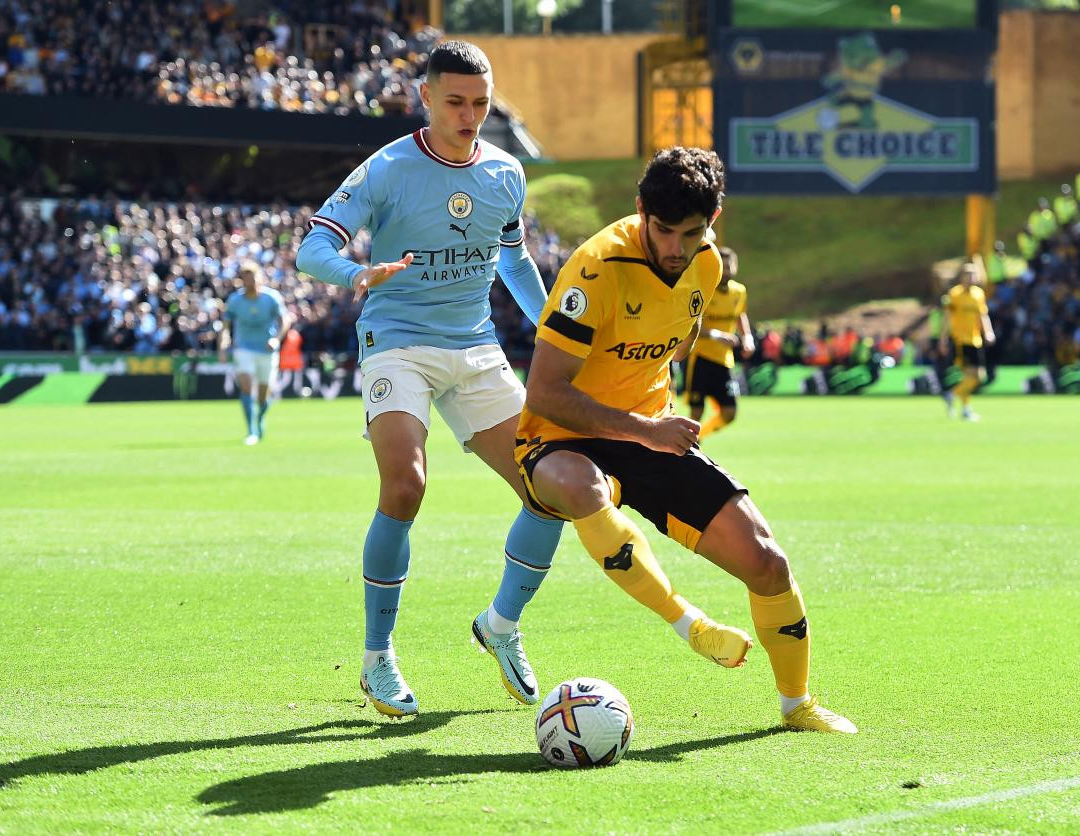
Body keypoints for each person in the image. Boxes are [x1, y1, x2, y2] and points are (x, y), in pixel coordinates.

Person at [294, 41, 744, 718]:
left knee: (548, 484)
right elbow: (312, 247)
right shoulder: (387, 168)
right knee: (406, 483)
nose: (470, 115)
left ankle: (500, 624)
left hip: (476, 347)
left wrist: (555, 331)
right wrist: (355, 273)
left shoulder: (506, 173)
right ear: (425, 98)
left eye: (480, 102)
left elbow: (514, 261)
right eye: (455, 102)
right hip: (398, 342)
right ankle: (378, 656)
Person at [513, 146, 856, 733]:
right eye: (663, 230)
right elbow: (544, 392)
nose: (675, 248)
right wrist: (644, 426)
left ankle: (797, 706)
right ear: (641, 209)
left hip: (650, 434)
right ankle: (687, 623)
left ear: (713, 222)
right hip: (559, 438)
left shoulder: (707, 265)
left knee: (768, 563)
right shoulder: (594, 270)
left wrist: (653, 414)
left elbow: (680, 335)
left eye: (691, 233)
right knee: (582, 485)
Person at [684, 245, 754, 440]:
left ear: (735, 268)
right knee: (696, 412)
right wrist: (716, 334)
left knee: (729, 413)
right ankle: (688, 447)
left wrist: (747, 336)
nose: (726, 272)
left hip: (724, 361)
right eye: (722, 268)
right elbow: (690, 325)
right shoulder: (705, 291)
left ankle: (696, 439)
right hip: (700, 358)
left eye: (729, 267)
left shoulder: (739, 292)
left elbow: (740, 314)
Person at [218, 261, 289, 444]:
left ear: (260, 278)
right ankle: (251, 431)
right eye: (246, 278)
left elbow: (285, 321)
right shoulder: (235, 300)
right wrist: (223, 345)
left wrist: (276, 339)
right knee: (247, 387)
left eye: (253, 278)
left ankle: (260, 419)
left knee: (263, 395)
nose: (250, 282)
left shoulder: (272, 298)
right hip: (243, 348)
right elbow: (225, 326)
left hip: (266, 350)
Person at [938, 259, 995, 422]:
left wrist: (988, 332)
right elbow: (947, 317)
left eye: (974, 275)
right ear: (962, 277)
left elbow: (983, 316)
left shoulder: (978, 294)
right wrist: (943, 339)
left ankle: (952, 395)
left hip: (975, 339)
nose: (971, 278)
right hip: (960, 340)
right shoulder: (955, 294)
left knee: (978, 377)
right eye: (968, 275)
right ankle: (965, 409)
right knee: (970, 375)